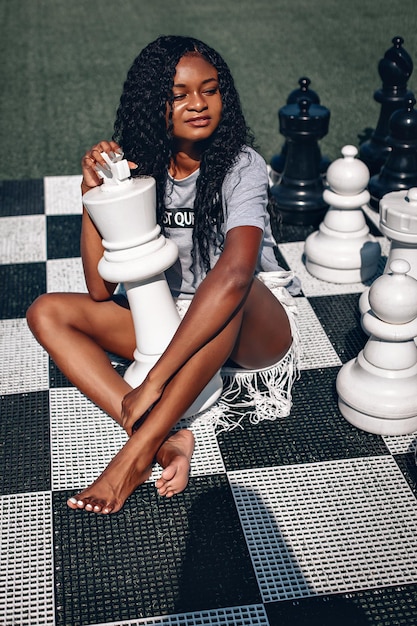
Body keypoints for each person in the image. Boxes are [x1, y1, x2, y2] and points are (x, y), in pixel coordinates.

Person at [26, 35, 300, 514]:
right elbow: (98, 287)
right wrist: (92, 194)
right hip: (171, 322)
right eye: (180, 95)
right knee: (46, 312)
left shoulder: (241, 165)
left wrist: (153, 381)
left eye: (210, 90)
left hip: (250, 325)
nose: (198, 104)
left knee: (230, 284)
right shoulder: (137, 167)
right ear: (155, 104)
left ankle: (135, 453)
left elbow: (237, 274)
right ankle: (164, 438)